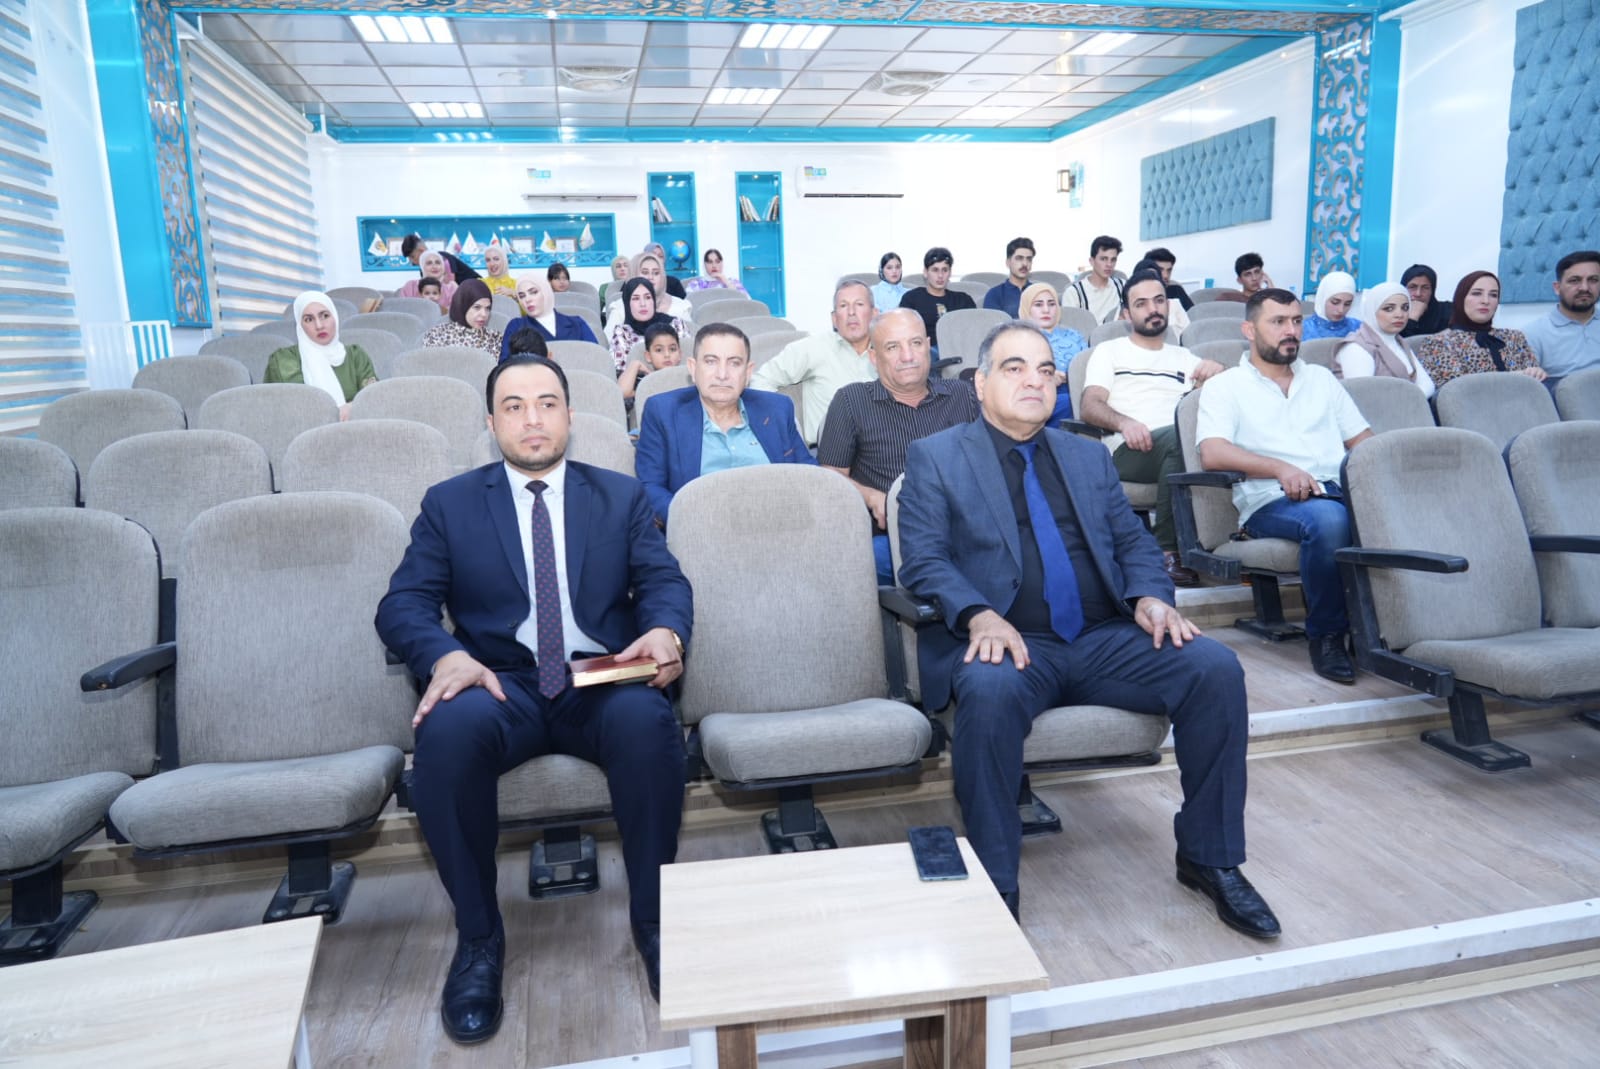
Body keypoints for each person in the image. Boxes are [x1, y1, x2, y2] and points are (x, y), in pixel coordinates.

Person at [897, 320, 1279, 938]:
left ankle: (1209, 857)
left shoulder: (1085, 456)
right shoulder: (937, 457)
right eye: (1015, 367)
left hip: (1103, 638)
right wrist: (978, 613)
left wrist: (1151, 597)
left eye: (1046, 370)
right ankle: (996, 882)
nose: (1034, 381)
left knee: (1213, 668)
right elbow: (923, 560)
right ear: (980, 383)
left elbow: (1132, 543)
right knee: (988, 692)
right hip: (1011, 641)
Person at [376, 354, 691, 1043]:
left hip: (597, 678)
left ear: (570, 416)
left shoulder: (619, 495)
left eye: (547, 403)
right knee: (445, 736)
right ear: (491, 423)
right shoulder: (450, 503)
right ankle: (479, 939)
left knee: (647, 722)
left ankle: (655, 923)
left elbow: (663, 581)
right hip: (499, 682)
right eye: (514, 406)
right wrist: (446, 655)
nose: (533, 419)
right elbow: (402, 604)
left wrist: (665, 631)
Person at [1196, 289, 1372, 684]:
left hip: (1335, 490)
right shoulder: (1226, 386)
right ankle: (1327, 636)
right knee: (1329, 521)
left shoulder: (1322, 379)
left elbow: (1363, 441)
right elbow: (1213, 453)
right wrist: (1279, 469)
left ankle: (1387, 633)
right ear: (1249, 330)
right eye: (1278, 322)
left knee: (1387, 513)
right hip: (1270, 500)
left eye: (1296, 321)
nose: (1290, 330)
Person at [1080, 269, 1226, 588]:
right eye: (1142, 303)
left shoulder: (1184, 356)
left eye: (1159, 300)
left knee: (1200, 437)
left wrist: (1219, 373)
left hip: (1179, 443)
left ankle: (1229, 544)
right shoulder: (1109, 352)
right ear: (1126, 313)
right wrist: (1125, 422)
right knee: (1180, 438)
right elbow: (1090, 405)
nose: (1153, 309)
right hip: (1129, 450)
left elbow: (1226, 396)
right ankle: (1166, 549)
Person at [818, 308, 979, 584]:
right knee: (858, 560)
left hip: (965, 526)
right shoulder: (851, 401)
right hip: (894, 534)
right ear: (873, 357)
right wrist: (871, 497)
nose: (907, 356)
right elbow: (829, 476)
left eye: (915, 343)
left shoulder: (962, 394)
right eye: (893, 347)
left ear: (928, 347)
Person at [636, 323, 814, 526]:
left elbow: (810, 475)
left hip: (780, 526)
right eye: (711, 362)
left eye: (734, 363)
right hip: (701, 531)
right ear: (693, 368)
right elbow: (650, 487)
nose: (722, 374)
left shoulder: (777, 409)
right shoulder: (662, 412)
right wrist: (690, 523)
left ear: (748, 372)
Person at [753, 279, 878, 446]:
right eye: (843, 306)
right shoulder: (813, 348)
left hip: (883, 447)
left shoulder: (889, 353)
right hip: (830, 452)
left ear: (874, 314)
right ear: (834, 319)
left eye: (859, 304)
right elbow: (761, 380)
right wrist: (783, 423)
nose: (851, 312)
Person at [1413, 271, 1546, 389]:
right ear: (1461, 298)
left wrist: (1536, 373)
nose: (1486, 301)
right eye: (1476, 293)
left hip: (1523, 406)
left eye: (1493, 295)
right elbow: (1456, 391)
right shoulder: (1438, 343)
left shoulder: (1514, 337)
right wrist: (1515, 376)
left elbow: (1535, 385)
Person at [265, 291, 377, 420]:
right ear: (300, 326)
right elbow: (288, 408)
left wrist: (353, 407)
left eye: (325, 316)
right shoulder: (284, 359)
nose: (319, 326)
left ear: (335, 317)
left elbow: (372, 398)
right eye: (309, 319)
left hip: (354, 427)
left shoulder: (356, 355)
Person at [1334, 283, 1436, 398]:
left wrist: (1410, 403)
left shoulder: (1398, 341)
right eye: (1389, 309)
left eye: (1405, 308)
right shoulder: (1356, 347)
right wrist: (1409, 401)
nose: (1400, 315)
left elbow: (1428, 385)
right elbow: (1364, 397)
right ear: (1372, 310)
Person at [1521, 250, 1600, 388]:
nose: (1585, 288)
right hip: (1566, 399)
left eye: (1593, 280)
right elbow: (1526, 386)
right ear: (1557, 288)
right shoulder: (1533, 333)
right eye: (1575, 280)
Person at [1018, 281, 1087, 423]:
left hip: (1078, 391)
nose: (1046, 310)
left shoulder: (1074, 336)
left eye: (1051, 304)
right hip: (1037, 395)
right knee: (1071, 402)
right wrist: (1046, 379)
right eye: (1038, 305)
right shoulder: (1018, 338)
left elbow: (1089, 367)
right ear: (1026, 308)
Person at [500, 274, 598, 362]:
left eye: (533, 292)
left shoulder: (577, 324)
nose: (527, 299)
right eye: (522, 296)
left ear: (546, 292)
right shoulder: (516, 326)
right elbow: (504, 364)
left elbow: (597, 358)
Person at [899, 247, 975, 352]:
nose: (940, 275)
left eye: (945, 270)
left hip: (958, 351)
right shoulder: (911, 299)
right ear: (925, 272)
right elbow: (904, 333)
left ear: (950, 272)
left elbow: (972, 334)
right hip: (925, 352)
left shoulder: (963, 300)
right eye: (935, 270)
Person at [607, 277, 688, 375]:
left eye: (648, 297)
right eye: (636, 298)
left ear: (654, 300)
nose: (643, 304)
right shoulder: (622, 333)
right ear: (627, 303)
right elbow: (619, 372)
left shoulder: (676, 324)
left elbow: (688, 361)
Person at [422, 280, 503, 356]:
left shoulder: (495, 338)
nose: (484, 314)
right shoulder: (438, 335)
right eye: (477, 307)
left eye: (487, 308)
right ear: (462, 306)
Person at [606, 252, 691, 324]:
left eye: (656, 273)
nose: (650, 277)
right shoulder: (620, 308)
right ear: (633, 274)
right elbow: (609, 338)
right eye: (645, 272)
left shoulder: (680, 307)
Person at [1063, 235, 1125, 324]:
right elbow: (1070, 327)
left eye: (1113, 260)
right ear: (1091, 261)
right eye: (1103, 259)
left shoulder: (1122, 286)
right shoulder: (1073, 293)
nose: (1109, 264)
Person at [982, 237, 1035, 317]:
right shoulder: (994, 294)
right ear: (1008, 263)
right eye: (1019, 258)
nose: (1025, 263)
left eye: (1029, 259)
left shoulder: (1039, 292)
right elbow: (993, 322)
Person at [1302, 272, 1361, 340]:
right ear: (1322, 299)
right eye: (1335, 302)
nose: (1341, 310)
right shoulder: (1301, 330)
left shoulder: (1359, 329)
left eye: (1347, 304)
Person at [1398, 264, 1453, 338]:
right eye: (1412, 287)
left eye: (1425, 288)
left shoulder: (1448, 311)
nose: (1418, 294)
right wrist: (1411, 320)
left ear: (1432, 291)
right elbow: (1399, 342)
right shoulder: (1393, 313)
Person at [402, 234, 479, 283]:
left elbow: (450, 287)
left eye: (412, 257)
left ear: (421, 250)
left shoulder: (444, 259)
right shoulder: (423, 269)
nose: (411, 261)